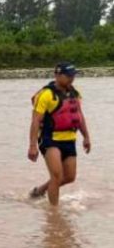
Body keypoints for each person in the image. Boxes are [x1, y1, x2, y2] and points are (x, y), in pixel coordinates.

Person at [29, 63, 92, 206]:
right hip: (50, 140)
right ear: (57, 75)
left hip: (69, 139)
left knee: (70, 177)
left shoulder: (74, 93)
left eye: (73, 75)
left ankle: (41, 190)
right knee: (56, 176)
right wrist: (32, 146)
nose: (72, 79)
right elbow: (35, 121)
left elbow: (79, 116)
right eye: (69, 76)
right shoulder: (47, 95)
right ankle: (54, 214)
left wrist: (86, 137)